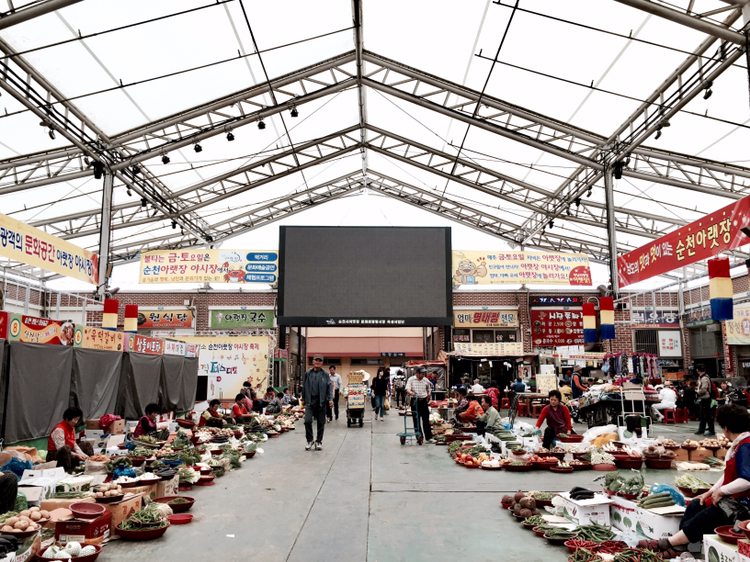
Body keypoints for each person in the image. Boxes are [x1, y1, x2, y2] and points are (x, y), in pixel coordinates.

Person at [638, 404, 750, 557]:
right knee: (697, 504)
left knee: (712, 513)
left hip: (744, 506)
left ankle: (669, 543)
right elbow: (728, 474)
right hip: (735, 500)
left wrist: (722, 491)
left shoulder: (746, 446)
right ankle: (680, 547)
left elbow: (747, 480)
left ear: (725, 428)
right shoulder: (739, 444)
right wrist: (710, 492)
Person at [303, 354, 333, 451]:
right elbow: (304, 386)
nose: (318, 362)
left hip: (321, 401)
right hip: (310, 401)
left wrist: (330, 399)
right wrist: (303, 399)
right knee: (307, 420)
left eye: (320, 361)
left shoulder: (325, 374)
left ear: (322, 363)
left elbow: (329, 387)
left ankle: (318, 441)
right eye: (316, 360)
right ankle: (310, 440)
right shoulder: (308, 373)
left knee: (321, 422)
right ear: (313, 361)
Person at [47, 407, 91, 472]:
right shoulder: (59, 430)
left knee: (86, 444)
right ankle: (68, 471)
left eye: (77, 419)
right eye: (74, 419)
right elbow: (61, 449)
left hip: (69, 451)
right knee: (66, 448)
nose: (76, 422)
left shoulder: (72, 428)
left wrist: (82, 454)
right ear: (67, 419)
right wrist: (77, 455)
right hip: (55, 456)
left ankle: (92, 465)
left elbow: (73, 443)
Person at [406, 366, 433, 442]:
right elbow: (407, 389)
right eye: (422, 374)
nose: (423, 375)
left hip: (424, 400)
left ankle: (429, 437)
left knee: (426, 419)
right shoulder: (411, 379)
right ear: (417, 373)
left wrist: (429, 393)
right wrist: (411, 392)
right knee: (416, 419)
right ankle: (419, 436)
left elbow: (429, 388)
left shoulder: (425, 380)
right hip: (415, 400)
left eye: (424, 374)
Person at [695, 363, 716, 437]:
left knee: (707, 415)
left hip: (706, 398)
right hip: (702, 398)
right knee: (702, 415)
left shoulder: (704, 378)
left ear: (697, 370)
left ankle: (711, 430)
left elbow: (704, 388)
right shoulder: (702, 377)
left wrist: (697, 393)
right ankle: (701, 429)